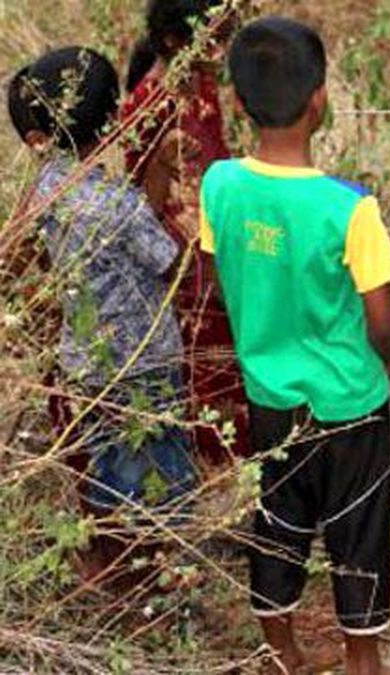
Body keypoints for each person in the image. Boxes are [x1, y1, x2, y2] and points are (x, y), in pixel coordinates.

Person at [199, 17, 390, 675]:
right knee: (357, 531)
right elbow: (384, 322)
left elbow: (217, 274)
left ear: (237, 101)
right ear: (320, 99)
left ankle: (282, 650)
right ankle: (363, 660)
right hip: (349, 402)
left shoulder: (220, 185)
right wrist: (384, 359)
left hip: (269, 394)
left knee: (279, 518)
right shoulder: (349, 208)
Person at [7, 47, 196, 583]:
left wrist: (156, 168)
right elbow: (168, 261)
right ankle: (152, 582)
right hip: (142, 364)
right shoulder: (117, 204)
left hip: (86, 362)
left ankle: (111, 562)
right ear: (113, 118)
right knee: (160, 478)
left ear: (36, 138)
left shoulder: (45, 189)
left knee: (110, 466)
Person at [122, 0, 250, 463]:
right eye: (210, 40)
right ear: (177, 41)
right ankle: (215, 472)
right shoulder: (149, 101)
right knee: (204, 370)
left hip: (214, 242)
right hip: (182, 260)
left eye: (224, 39)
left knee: (229, 365)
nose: (219, 53)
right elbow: (143, 198)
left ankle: (236, 467)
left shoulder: (200, 81)